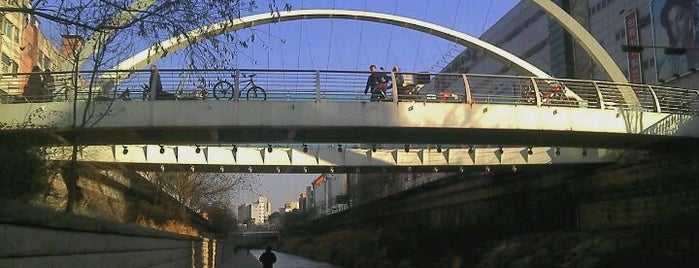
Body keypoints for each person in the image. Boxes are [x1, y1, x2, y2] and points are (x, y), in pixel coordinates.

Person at [658, 0, 699, 80]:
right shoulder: (670, 63)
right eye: (672, 23)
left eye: (679, 18)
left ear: (691, 14)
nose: (676, 28)